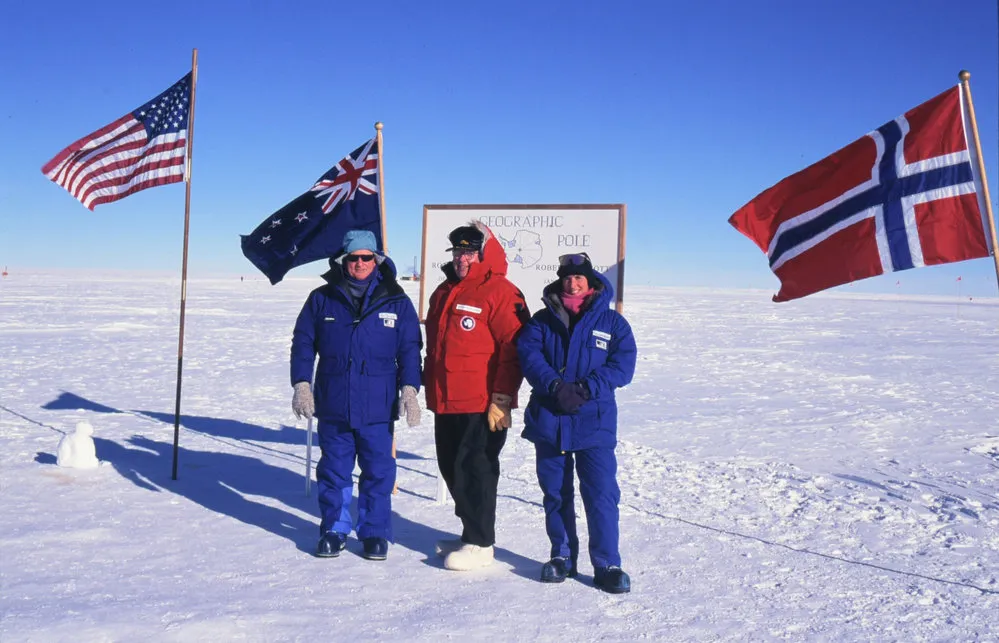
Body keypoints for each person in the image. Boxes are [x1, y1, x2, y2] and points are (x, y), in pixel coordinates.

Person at [290, 229, 423, 560]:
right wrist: (301, 383)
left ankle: (375, 531)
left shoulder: (396, 300)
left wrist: (410, 388)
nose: (360, 263)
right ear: (343, 261)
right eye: (354, 258)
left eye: (367, 257)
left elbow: (410, 348)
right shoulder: (322, 298)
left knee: (379, 471)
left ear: (376, 260)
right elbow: (303, 342)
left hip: (378, 405)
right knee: (334, 470)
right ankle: (335, 528)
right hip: (334, 401)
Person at [516, 252, 637, 593]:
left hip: (593, 421)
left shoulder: (613, 323)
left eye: (579, 277)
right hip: (550, 418)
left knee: (601, 494)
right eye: (567, 277)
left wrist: (585, 387)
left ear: (591, 281)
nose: (573, 282)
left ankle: (607, 564)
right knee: (555, 493)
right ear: (560, 281)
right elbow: (529, 355)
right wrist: (554, 385)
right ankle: (562, 557)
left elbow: (623, 366)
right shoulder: (542, 320)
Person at [424, 222, 530, 571]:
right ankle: (470, 532)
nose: (462, 258)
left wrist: (502, 397)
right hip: (446, 400)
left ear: (484, 254)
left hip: (481, 403)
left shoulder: (501, 291)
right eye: (457, 252)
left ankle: (482, 543)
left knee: (477, 470)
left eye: (469, 252)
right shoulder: (443, 291)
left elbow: (513, 349)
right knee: (451, 467)